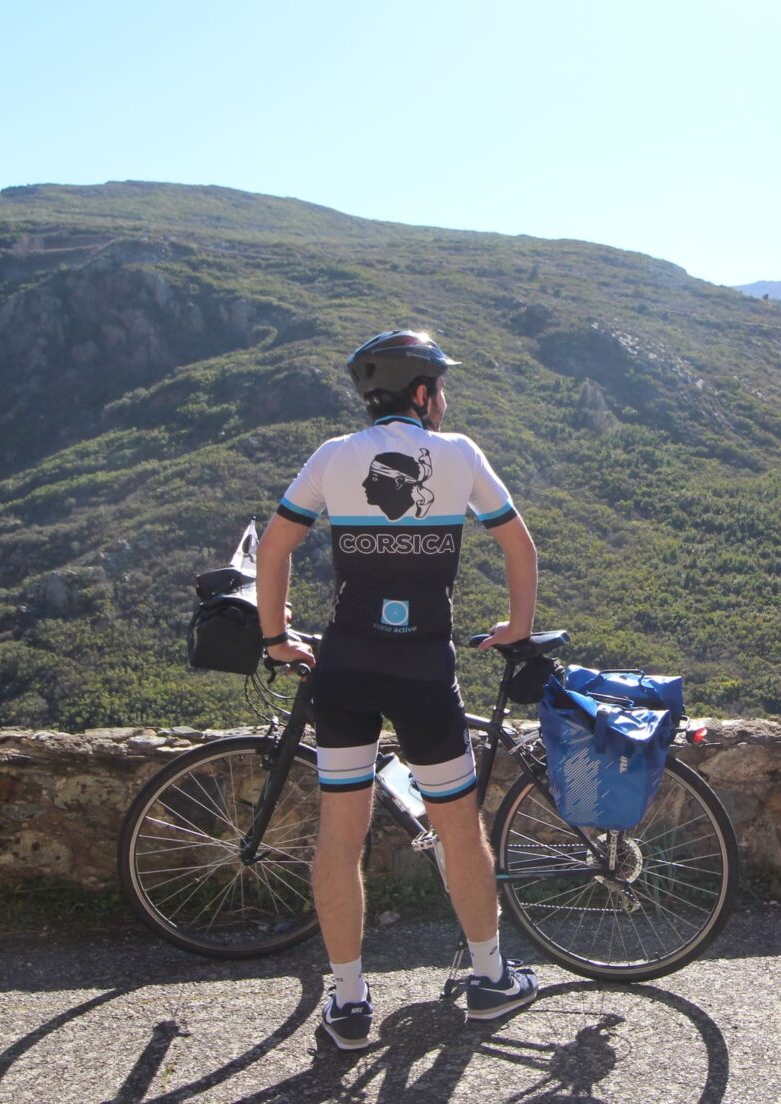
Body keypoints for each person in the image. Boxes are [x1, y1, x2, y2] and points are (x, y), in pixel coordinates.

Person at [255, 330, 541, 1051]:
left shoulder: (331, 456)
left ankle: (349, 1003)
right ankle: (489, 980)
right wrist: (518, 625)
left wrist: (274, 638)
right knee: (457, 828)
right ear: (422, 393)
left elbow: (276, 548)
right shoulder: (459, 455)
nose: (443, 400)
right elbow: (518, 546)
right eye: (439, 387)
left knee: (340, 836)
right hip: (423, 669)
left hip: (345, 666)